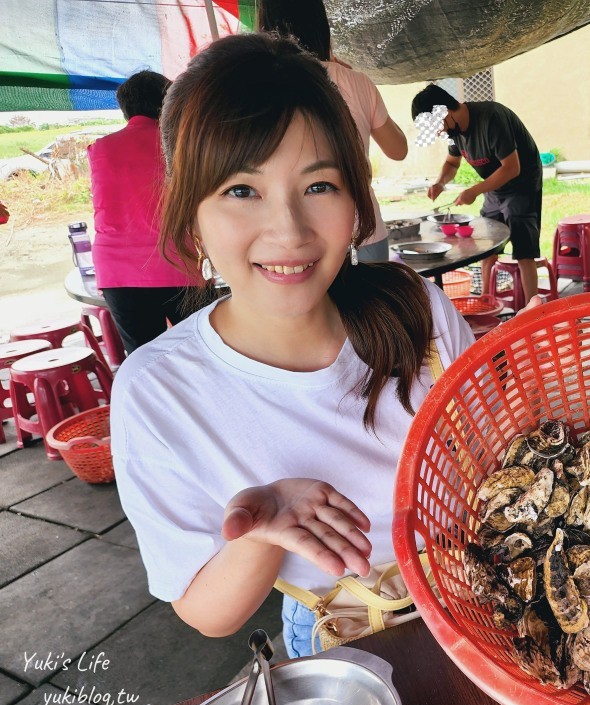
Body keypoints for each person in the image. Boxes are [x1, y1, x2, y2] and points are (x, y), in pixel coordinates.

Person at [110, 33, 476, 658]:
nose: (289, 231)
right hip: (341, 633)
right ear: (188, 211)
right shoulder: (160, 391)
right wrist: (261, 534)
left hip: (480, 599)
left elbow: (498, 448)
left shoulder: (411, 305)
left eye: (319, 186)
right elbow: (206, 613)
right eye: (241, 191)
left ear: (357, 199)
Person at [256, 0, 407, 262]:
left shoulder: (257, 84)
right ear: (321, 27)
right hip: (364, 232)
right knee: (371, 304)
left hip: (293, 235)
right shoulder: (356, 82)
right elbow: (398, 149)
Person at [87, 71, 200, 355]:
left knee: (143, 361)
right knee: (204, 353)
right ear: (170, 104)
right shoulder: (181, 146)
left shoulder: (99, 149)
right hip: (179, 265)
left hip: (118, 272)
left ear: (126, 110)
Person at [412, 84, 543, 302]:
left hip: (522, 185)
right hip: (494, 188)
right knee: (488, 245)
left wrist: (474, 191)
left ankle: (534, 310)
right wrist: (440, 183)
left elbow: (512, 168)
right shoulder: (454, 132)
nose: (438, 131)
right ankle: (486, 300)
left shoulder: (491, 118)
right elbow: (452, 163)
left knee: (524, 250)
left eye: (436, 125)